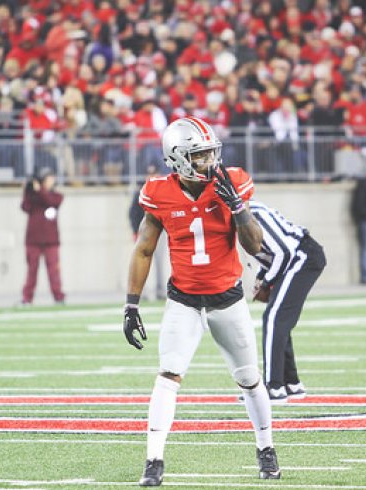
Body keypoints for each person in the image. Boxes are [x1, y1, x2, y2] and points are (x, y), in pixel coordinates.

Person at [123, 117, 279, 486]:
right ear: (177, 159)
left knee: (249, 378)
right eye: (200, 155)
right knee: (168, 374)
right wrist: (131, 304)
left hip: (228, 299)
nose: (210, 160)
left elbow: (255, 246)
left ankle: (266, 448)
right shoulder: (159, 192)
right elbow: (144, 249)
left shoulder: (232, 182)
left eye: (210, 152)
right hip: (185, 301)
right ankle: (153, 460)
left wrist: (238, 208)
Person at [248, 200, 326, 401]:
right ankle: (291, 382)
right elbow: (268, 252)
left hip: (301, 256)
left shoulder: (254, 215)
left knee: (274, 319)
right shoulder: (246, 212)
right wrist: (260, 276)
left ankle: (273, 386)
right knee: (278, 318)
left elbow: (283, 252)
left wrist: (266, 282)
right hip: (297, 257)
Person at [20, 169, 65, 306]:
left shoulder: (56, 196)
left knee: (54, 271)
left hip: (51, 241)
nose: (51, 181)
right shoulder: (34, 197)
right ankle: (27, 298)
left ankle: (58, 297)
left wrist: (39, 190)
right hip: (33, 240)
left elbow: (50, 201)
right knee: (31, 271)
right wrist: (28, 191)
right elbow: (25, 206)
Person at [128, 164, 166, 301]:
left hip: (160, 233)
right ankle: (140, 293)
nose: (152, 177)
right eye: (150, 174)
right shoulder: (141, 192)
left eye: (154, 174)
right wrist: (135, 231)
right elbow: (132, 213)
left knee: (159, 264)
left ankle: (160, 291)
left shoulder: (163, 192)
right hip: (143, 234)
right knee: (141, 262)